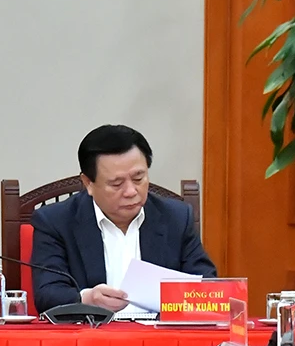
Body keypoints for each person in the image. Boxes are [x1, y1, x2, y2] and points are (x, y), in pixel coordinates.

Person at [29, 124, 216, 314]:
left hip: (159, 338)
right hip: (91, 337)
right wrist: (87, 298)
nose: (131, 191)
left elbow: (208, 286)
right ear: (88, 183)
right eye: (116, 183)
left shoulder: (176, 217)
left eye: (138, 178)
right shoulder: (55, 221)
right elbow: (47, 293)